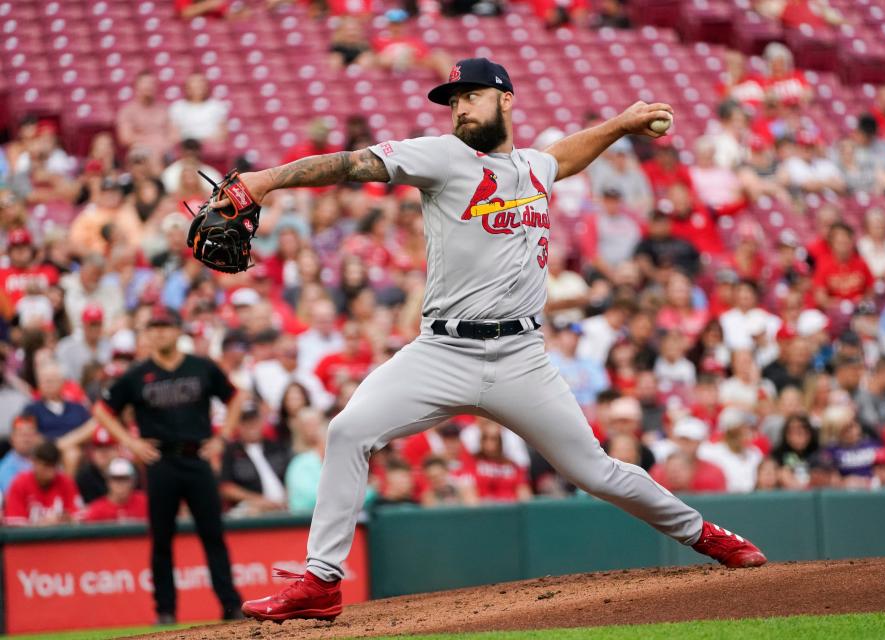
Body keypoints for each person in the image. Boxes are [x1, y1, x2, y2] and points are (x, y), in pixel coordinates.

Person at [230, 57, 766, 623]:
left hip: (521, 359)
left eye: (472, 95)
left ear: (505, 100)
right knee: (348, 431)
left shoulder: (534, 166)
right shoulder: (441, 155)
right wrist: (266, 179)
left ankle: (706, 535)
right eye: (453, 99)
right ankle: (322, 580)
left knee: (596, 471)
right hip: (442, 350)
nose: (459, 106)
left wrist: (619, 124)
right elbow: (350, 164)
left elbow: (563, 157)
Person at [91, 307, 243, 624]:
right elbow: (103, 409)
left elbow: (235, 397)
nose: (159, 332)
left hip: (196, 457)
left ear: (178, 331)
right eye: (153, 327)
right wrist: (131, 442)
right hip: (161, 461)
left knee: (212, 535)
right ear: (147, 333)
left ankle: (231, 607)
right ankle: (165, 611)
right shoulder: (136, 374)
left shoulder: (201, 367)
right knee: (161, 539)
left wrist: (223, 437)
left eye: (165, 326)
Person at [220, 402, 291, 515]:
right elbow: (225, 487)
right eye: (246, 422)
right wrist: (257, 500)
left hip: (285, 504)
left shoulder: (276, 446)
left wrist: (289, 496)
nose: (251, 426)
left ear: (261, 422)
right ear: (239, 425)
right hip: (251, 507)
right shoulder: (231, 451)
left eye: (254, 421)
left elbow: (292, 473)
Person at [3, 440, 82, 526]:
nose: (51, 473)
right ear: (34, 462)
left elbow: (79, 519)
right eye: (46, 466)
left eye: (53, 466)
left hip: (60, 539)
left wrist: (68, 519)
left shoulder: (66, 482)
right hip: (30, 539)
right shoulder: (20, 483)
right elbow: (14, 526)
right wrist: (41, 524)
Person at [697, 407, 764, 493]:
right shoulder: (709, 451)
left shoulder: (755, 453)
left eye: (746, 428)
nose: (744, 433)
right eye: (737, 430)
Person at [23, 362, 90, 440]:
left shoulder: (78, 408)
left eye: (52, 381)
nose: (48, 385)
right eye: (45, 381)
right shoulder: (31, 410)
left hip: (76, 447)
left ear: (62, 382)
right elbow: (29, 436)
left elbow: (88, 429)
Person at [80, 457, 148, 522]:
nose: (120, 484)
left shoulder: (145, 502)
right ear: (108, 481)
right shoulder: (96, 510)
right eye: (116, 479)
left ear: (133, 481)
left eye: (125, 479)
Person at [0, 414, 40, 494]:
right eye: (22, 435)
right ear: (12, 439)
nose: (26, 439)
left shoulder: (46, 461)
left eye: (30, 434)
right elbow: (13, 496)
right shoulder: (5, 467)